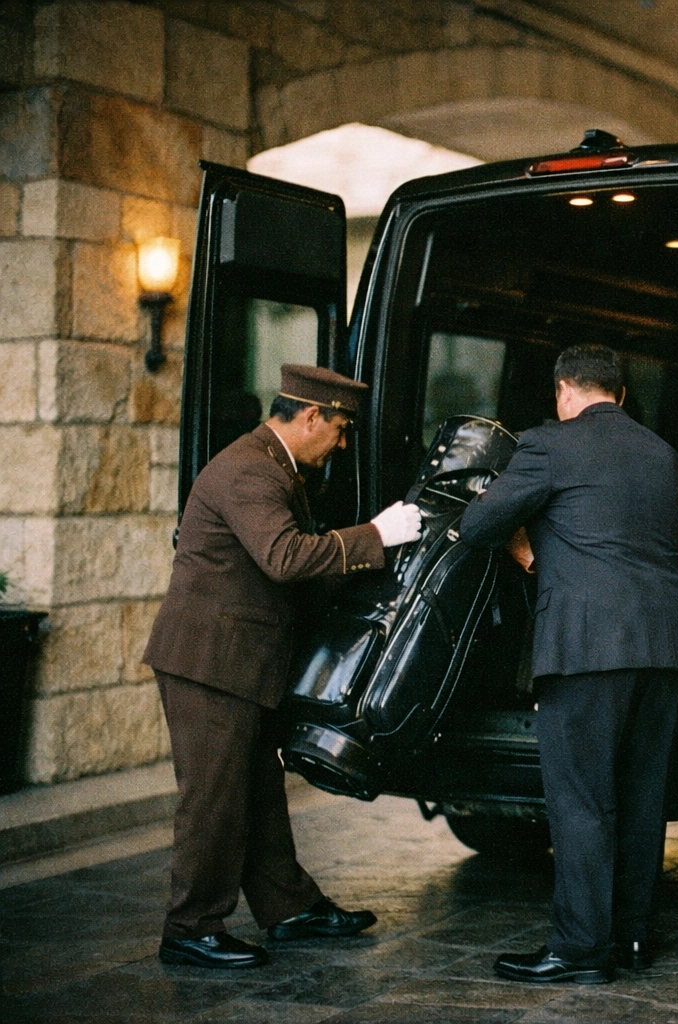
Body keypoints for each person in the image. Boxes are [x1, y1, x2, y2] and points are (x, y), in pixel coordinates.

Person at [143, 365, 424, 969]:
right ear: (312, 416)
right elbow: (284, 557)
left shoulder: (276, 467)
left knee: (257, 793)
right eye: (341, 428)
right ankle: (189, 927)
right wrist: (375, 535)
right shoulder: (251, 470)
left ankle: (291, 908)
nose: (342, 443)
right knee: (214, 799)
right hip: (210, 663)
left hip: (236, 662)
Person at [458, 343, 678, 984]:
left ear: (564, 390)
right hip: (664, 645)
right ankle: (633, 937)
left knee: (582, 801)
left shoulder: (548, 444)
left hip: (587, 646)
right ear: (619, 393)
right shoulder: (661, 452)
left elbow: (478, 526)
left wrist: (527, 540)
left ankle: (580, 949)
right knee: (642, 798)